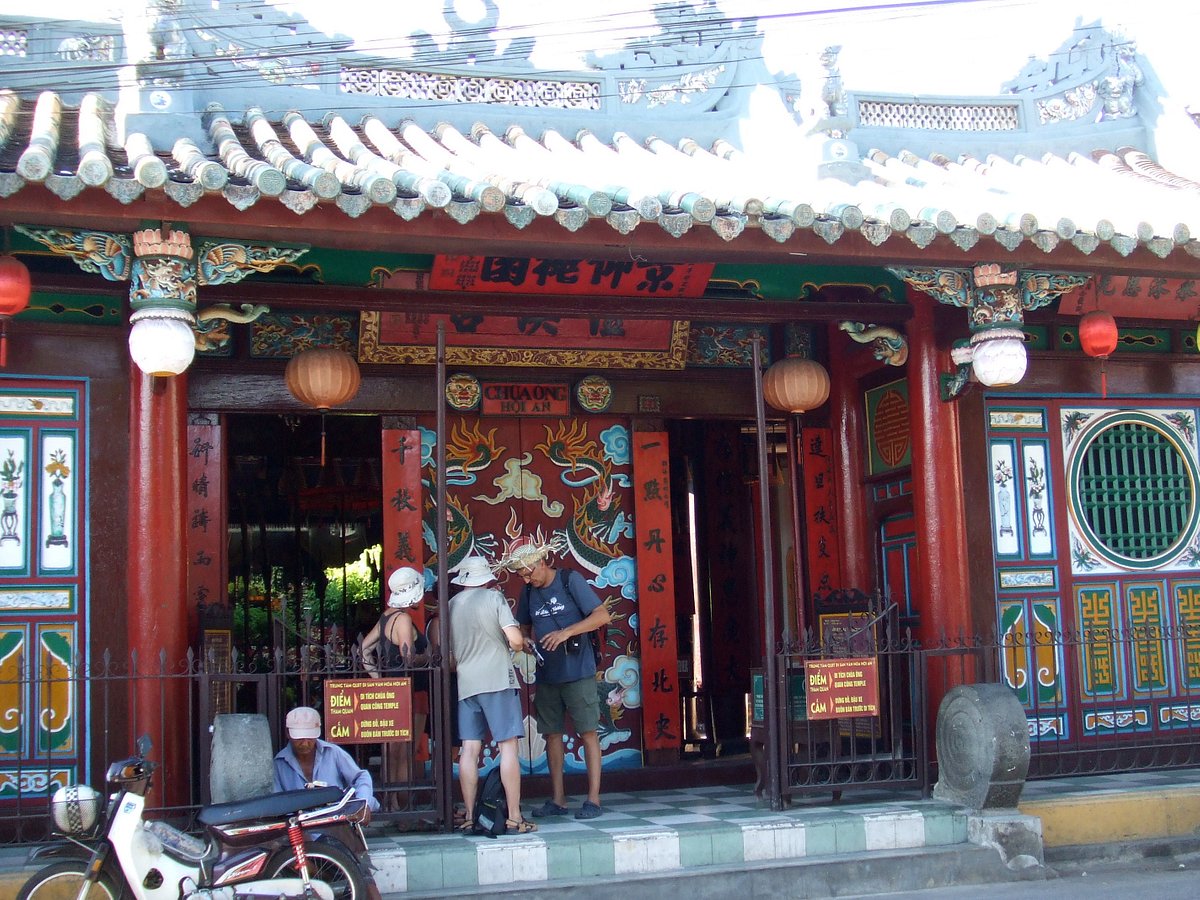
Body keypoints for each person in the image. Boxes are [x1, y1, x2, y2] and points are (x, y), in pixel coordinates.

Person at [508, 541, 612, 820]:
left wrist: (566, 633)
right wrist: (526, 641)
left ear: (542, 562)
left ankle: (593, 798)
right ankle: (558, 799)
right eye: (522, 576)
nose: (526, 580)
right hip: (547, 674)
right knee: (551, 734)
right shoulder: (529, 591)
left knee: (588, 732)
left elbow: (602, 615)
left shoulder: (570, 580)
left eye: (529, 573)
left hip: (578, 672)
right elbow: (524, 627)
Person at [447, 554, 536, 835]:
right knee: (507, 747)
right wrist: (521, 644)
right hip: (497, 679)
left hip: (466, 683)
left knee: (469, 749)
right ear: (487, 577)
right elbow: (515, 639)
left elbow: (449, 654)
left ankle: (471, 815)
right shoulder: (494, 598)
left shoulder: (452, 604)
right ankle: (514, 816)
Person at [273, 706, 383, 900]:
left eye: (309, 737)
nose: (305, 743)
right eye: (299, 738)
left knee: (360, 870)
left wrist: (364, 802)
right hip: (300, 831)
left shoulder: (333, 753)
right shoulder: (279, 763)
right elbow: (276, 802)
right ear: (288, 734)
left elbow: (361, 777)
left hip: (335, 825)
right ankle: (325, 881)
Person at [361, 566, 429, 793]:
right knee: (405, 752)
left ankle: (392, 804)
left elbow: (363, 650)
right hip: (410, 691)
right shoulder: (403, 619)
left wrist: (379, 679)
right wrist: (427, 657)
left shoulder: (386, 617)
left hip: (391, 689)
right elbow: (408, 658)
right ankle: (404, 809)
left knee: (392, 750)